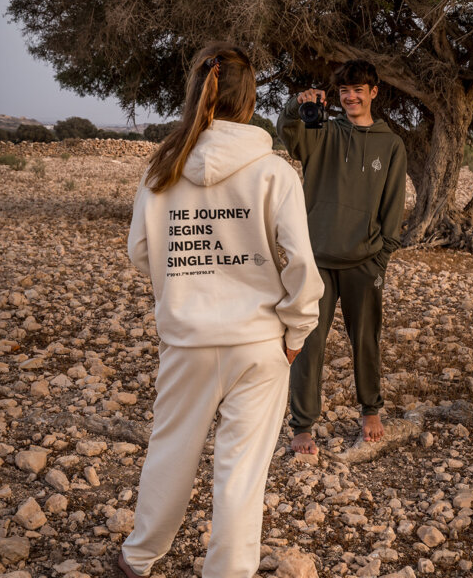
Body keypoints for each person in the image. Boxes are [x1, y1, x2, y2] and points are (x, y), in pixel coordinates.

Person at [118, 42, 324, 578]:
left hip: (186, 341)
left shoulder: (161, 169)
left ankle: (137, 559)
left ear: (196, 93)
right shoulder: (274, 172)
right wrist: (297, 330)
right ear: (250, 100)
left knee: (170, 453)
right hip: (258, 343)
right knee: (241, 473)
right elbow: (302, 263)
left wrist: (184, 283)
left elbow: (141, 251)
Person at [277, 60, 407, 456]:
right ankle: (302, 426)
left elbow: (393, 208)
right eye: (344, 92)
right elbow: (290, 135)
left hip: (363, 262)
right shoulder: (323, 131)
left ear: (373, 92)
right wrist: (295, 105)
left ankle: (370, 410)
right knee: (308, 343)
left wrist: (380, 260)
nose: (351, 97)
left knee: (365, 340)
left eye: (358, 90)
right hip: (316, 259)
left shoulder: (391, 144)